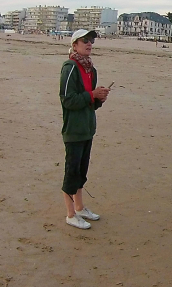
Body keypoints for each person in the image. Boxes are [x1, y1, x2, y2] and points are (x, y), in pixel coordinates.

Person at [59, 29, 110, 229]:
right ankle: (70, 214)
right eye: (84, 41)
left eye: (91, 40)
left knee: (81, 171)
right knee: (72, 172)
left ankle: (79, 207)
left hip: (87, 128)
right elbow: (67, 100)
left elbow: (90, 102)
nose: (89, 44)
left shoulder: (91, 70)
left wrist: (99, 99)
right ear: (74, 45)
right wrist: (92, 95)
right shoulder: (70, 67)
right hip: (73, 129)